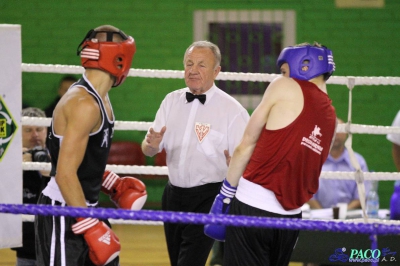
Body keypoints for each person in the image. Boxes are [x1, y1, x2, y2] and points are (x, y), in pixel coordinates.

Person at [204, 42, 337, 266]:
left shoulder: (283, 86)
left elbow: (245, 145)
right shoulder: (332, 118)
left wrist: (225, 194)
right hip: (291, 219)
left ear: (304, 65)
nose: (283, 76)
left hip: (252, 206)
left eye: (285, 71)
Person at [34, 25, 144, 266]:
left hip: (85, 207)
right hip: (64, 211)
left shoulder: (101, 99)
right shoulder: (84, 104)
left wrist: (111, 183)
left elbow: (73, 158)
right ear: (119, 59)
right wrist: (89, 224)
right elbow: (63, 173)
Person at [141, 40, 250, 266]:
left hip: (208, 198)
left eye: (201, 65)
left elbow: (248, 160)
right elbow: (148, 149)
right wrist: (151, 144)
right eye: (189, 63)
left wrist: (237, 166)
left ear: (216, 71)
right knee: (177, 259)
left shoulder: (233, 111)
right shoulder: (171, 101)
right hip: (172, 195)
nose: (193, 70)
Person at [12, 107, 50, 266]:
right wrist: (16, 169)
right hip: (25, 244)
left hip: (54, 242)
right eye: (28, 130)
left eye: (39, 129)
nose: (35, 135)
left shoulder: (61, 156)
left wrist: (50, 176)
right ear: (18, 132)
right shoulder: (8, 159)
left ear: (47, 131)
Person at [308, 118, 369, 210]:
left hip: (350, 218)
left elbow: (362, 195)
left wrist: (342, 214)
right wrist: (323, 215)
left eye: (339, 130)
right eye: (332, 129)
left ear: (346, 134)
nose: (335, 134)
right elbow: (307, 194)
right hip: (318, 218)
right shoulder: (313, 161)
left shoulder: (358, 161)